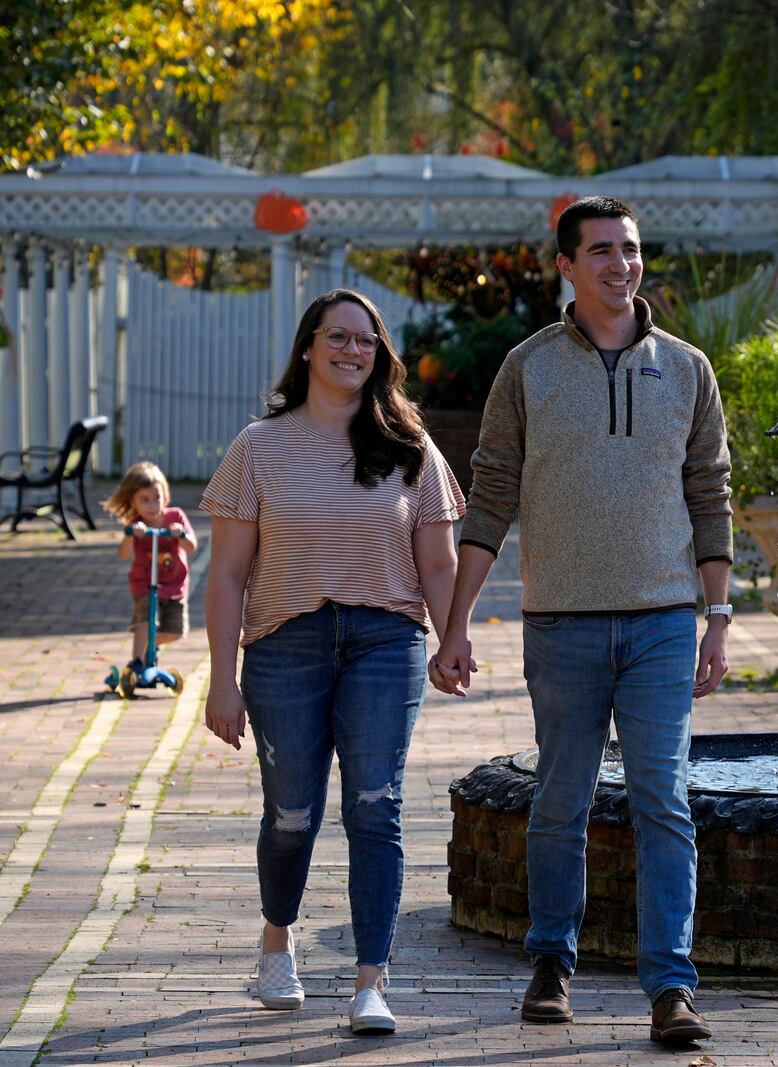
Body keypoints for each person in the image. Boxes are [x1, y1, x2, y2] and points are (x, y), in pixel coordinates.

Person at [430, 195, 732, 1046]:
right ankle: (551, 962)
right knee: (559, 801)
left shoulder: (687, 369)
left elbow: (711, 496)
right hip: (559, 622)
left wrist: (717, 615)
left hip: (664, 621)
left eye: (630, 250)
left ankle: (672, 986)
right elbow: (489, 499)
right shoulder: (528, 369)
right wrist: (455, 626)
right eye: (600, 251)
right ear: (565, 265)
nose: (619, 265)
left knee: (662, 798)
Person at [201, 288, 465, 1035]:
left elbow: (438, 564)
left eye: (367, 341)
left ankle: (370, 984)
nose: (354, 351)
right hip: (286, 645)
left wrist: (452, 639)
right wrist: (222, 679)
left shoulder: (411, 447)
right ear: (309, 347)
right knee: (292, 814)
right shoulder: (259, 446)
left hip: (386, 641)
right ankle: (277, 942)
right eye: (339, 338)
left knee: (376, 807)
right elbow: (225, 575)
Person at [103, 461, 198, 672]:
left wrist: (180, 533)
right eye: (144, 500)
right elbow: (124, 554)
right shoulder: (136, 524)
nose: (153, 505)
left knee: (175, 631)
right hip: (145, 584)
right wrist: (130, 534)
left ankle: (150, 648)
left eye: (157, 497)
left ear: (165, 494)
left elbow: (191, 547)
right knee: (144, 622)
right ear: (133, 502)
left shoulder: (175, 517)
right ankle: (136, 663)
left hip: (174, 584)